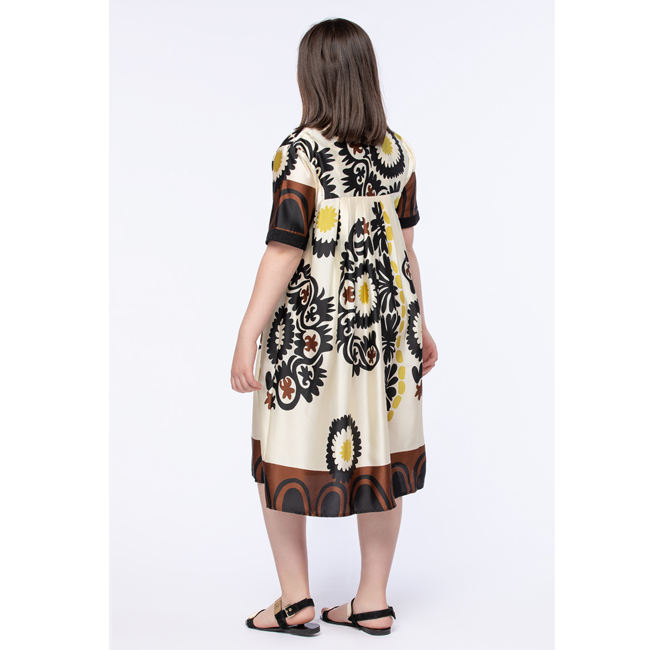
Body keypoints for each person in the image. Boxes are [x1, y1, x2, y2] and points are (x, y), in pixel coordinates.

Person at [231, 17, 438, 636]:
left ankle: (295, 599)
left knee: (281, 454)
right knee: (380, 458)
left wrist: (247, 333)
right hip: (386, 336)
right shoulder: (397, 152)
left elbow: (284, 250)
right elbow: (406, 251)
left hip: (313, 335)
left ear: (312, 78)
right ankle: (372, 600)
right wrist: (422, 327)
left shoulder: (302, 151)